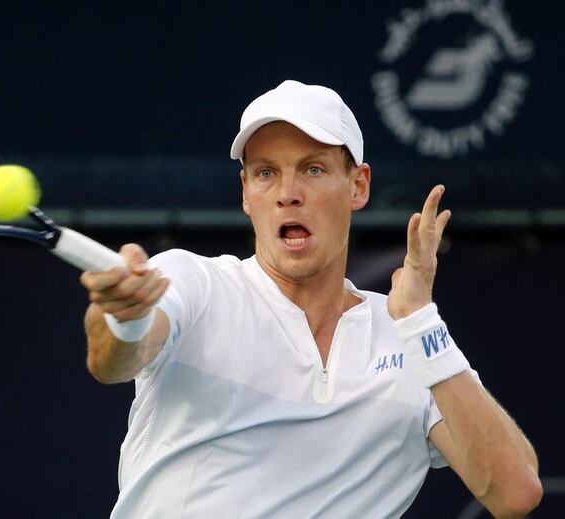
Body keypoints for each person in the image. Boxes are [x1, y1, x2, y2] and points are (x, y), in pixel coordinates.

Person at [80, 80, 542, 518]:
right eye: (266, 173)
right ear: (246, 193)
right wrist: (127, 316)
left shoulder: (412, 337)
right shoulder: (194, 281)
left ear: (358, 185)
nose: (287, 195)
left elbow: (515, 493)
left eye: (313, 169)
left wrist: (421, 323)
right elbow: (114, 360)